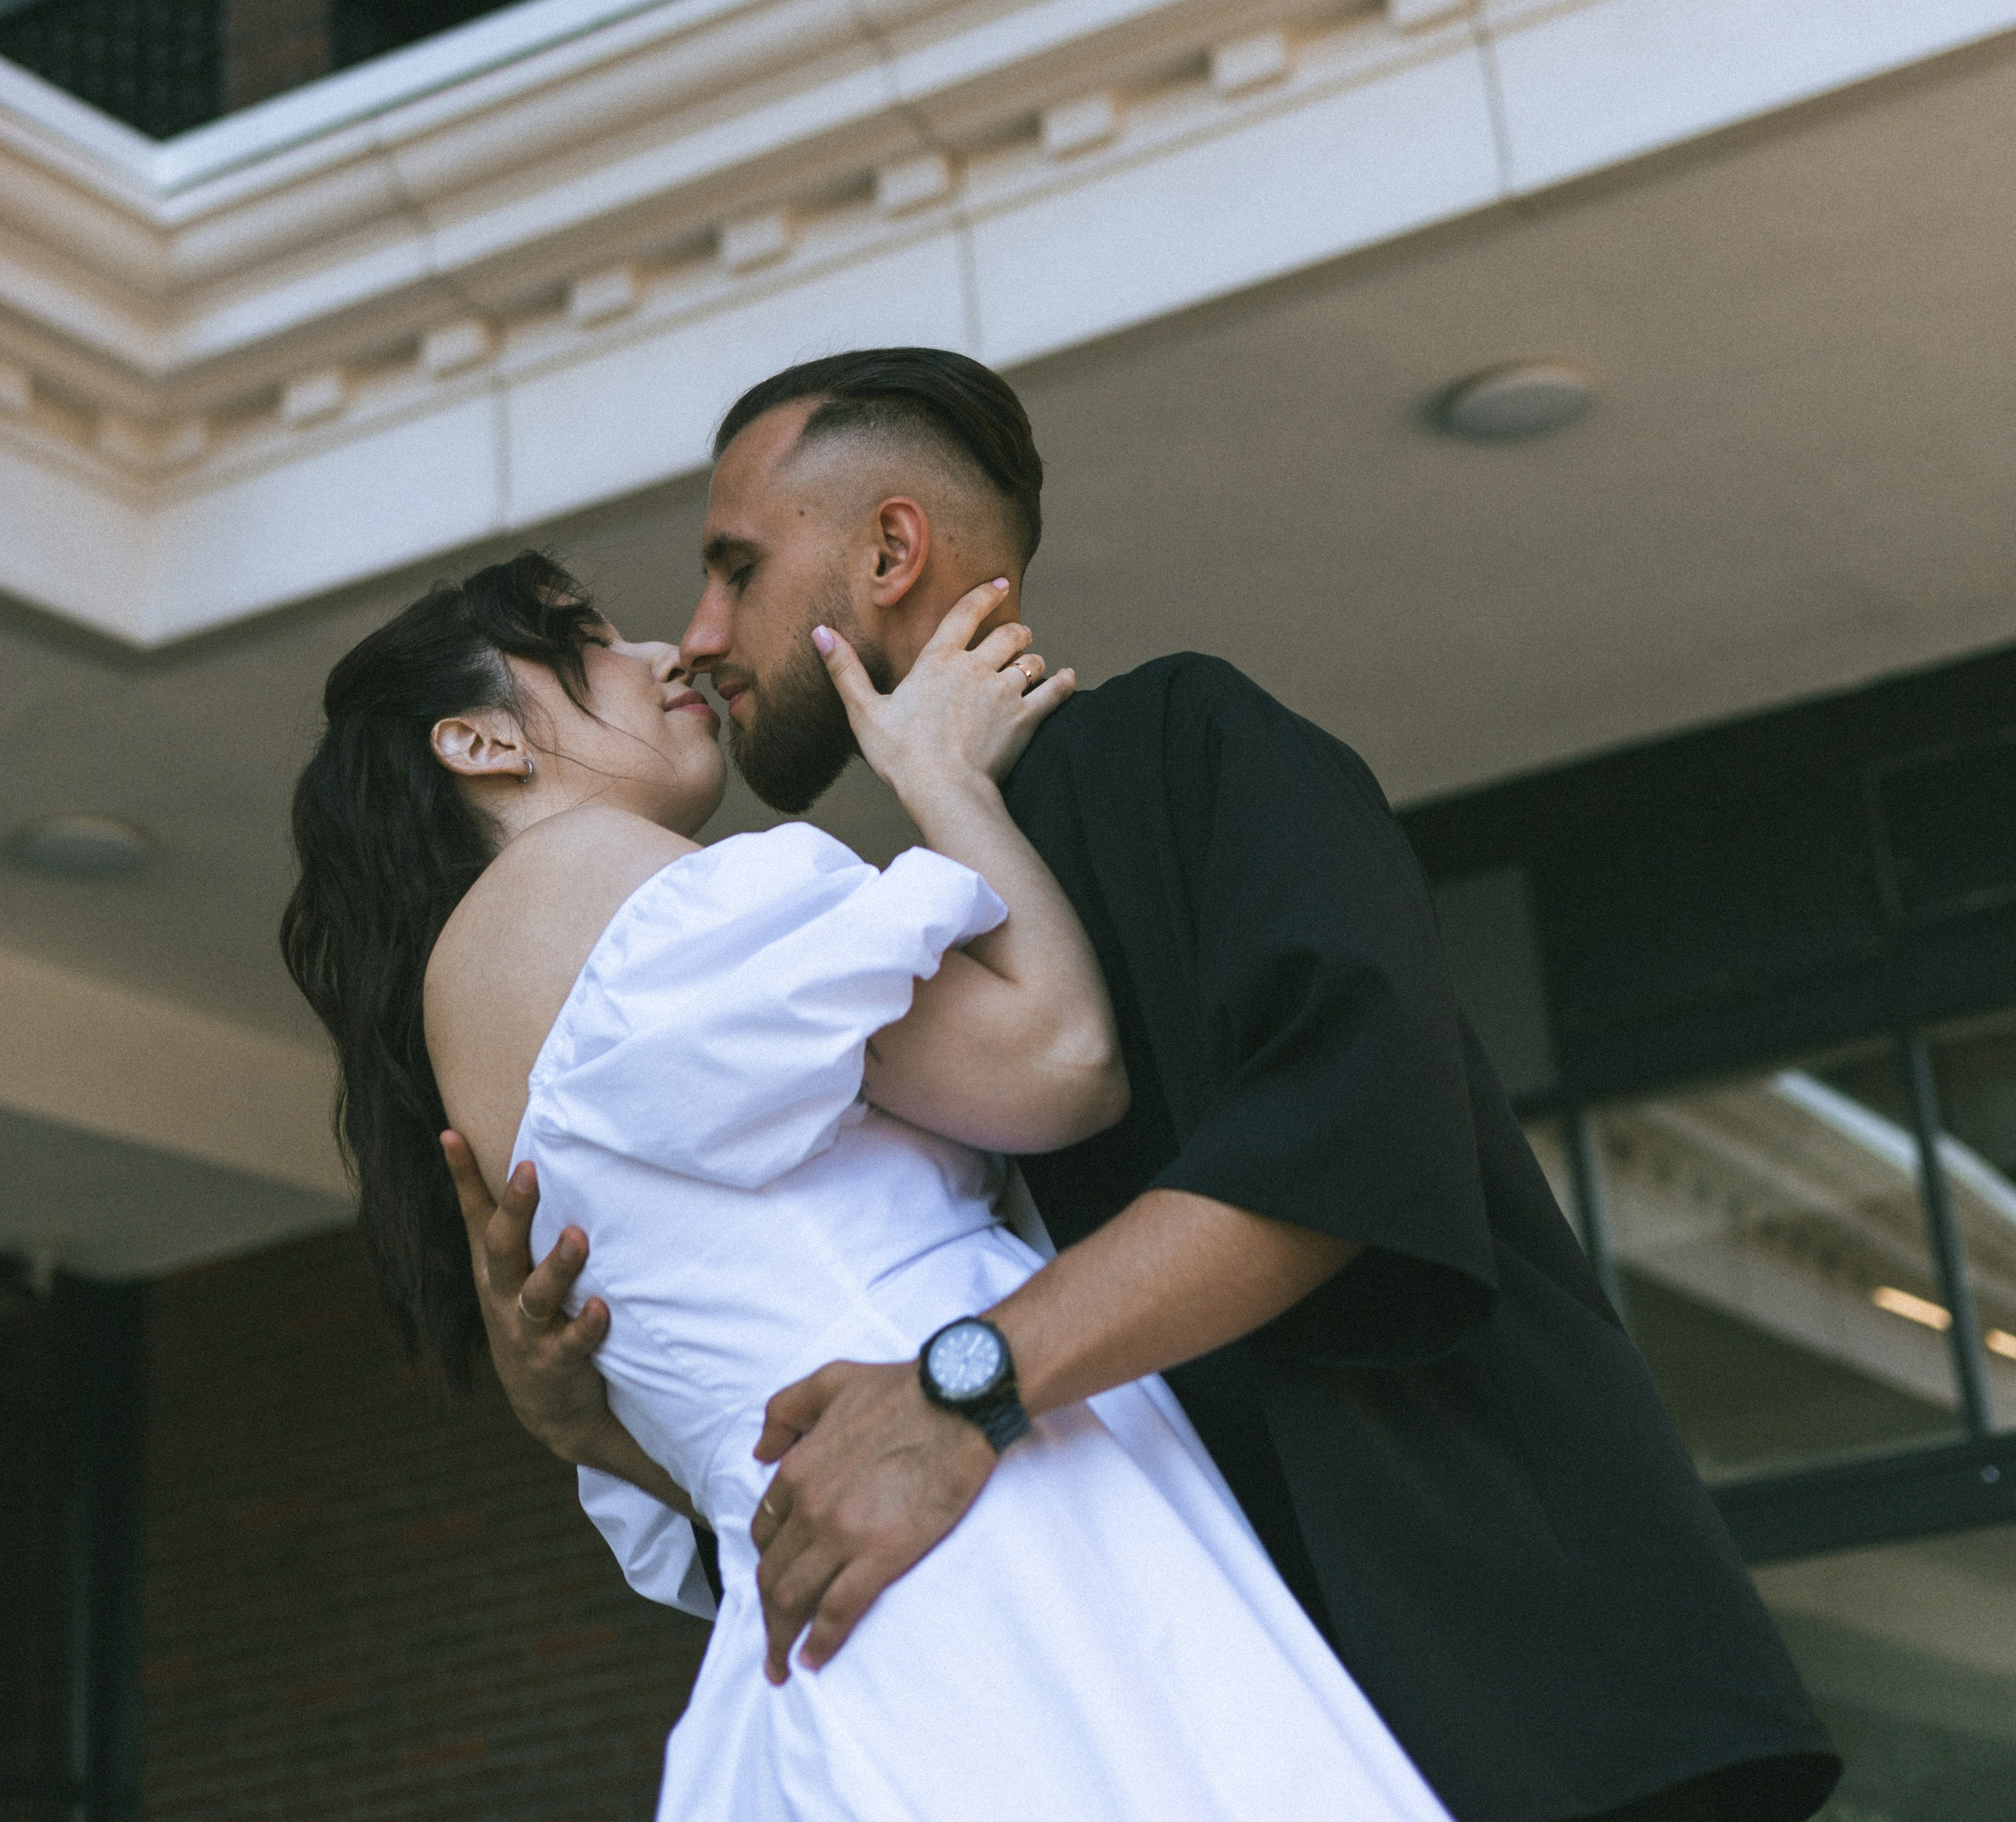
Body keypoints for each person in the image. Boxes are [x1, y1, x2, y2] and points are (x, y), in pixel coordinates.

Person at [456, 347, 1841, 1822]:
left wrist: (965, 1385)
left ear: (888, 550)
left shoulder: (1186, 741)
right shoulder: (881, 941)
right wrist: (587, 1419)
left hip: (1512, 1692)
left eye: (737, 568)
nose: (702, 634)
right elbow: (835, 1462)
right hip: (1184, 1712)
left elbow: (1357, 1131)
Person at [281, 547, 1465, 1822]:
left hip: (838, 1579)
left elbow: (729, 1432)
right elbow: (1063, 1064)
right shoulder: (591, 881)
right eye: (582, 641)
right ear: (477, 744)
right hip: (986, 1536)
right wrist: (942, 777)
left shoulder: (473, 1002)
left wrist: (578, 1432)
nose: (664, 654)